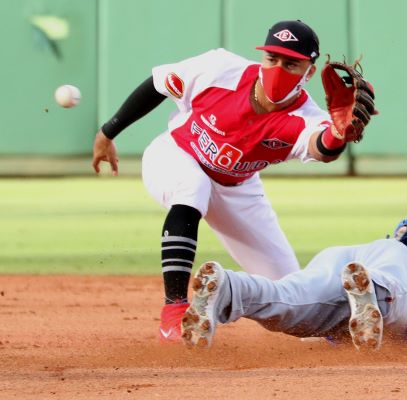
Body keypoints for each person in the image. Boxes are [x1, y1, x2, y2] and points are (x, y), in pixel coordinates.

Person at [90, 20, 376, 342]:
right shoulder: (219, 68)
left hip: (238, 188)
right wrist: (108, 131)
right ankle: (174, 312)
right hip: (174, 154)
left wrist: (338, 134)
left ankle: (341, 330)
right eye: (273, 59)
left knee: (291, 292)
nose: (278, 69)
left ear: (309, 72)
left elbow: (320, 147)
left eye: (291, 64)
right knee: (192, 187)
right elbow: (158, 84)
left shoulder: (307, 117)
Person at [181, 215, 407, 349]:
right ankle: (372, 290)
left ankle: (228, 288)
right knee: (396, 296)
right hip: (383, 267)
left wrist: (315, 332)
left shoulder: (384, 251)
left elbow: (315, 343)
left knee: (288, 302)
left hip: (343, 259)